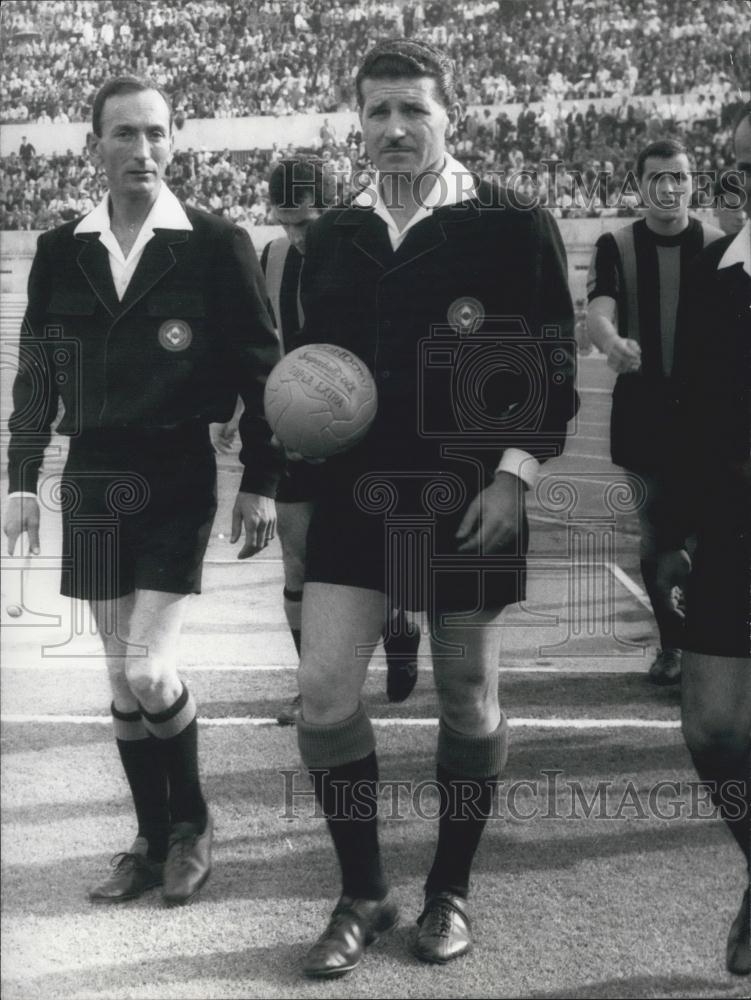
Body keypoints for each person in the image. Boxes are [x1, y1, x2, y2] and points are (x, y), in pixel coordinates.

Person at [292, 39, 577, 976]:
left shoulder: (512, 222)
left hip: (468, 497)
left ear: (451, 117)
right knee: (326, 695)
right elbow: (311, 371)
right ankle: (363, 891)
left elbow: (550, 366)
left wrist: (512, 477)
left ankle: (448, 889)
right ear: (357, 123)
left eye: (412, 110)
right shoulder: (330, 234)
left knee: (466, 695)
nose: (394, 129)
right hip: (357, 497)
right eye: (376, 112)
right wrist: (294, 435)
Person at [4, 77, 282, 906]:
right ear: (95, 146)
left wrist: (261, 481)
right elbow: (36, 377)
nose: (143, 150)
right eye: (124, 135)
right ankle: (149, 837)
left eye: (157, 134)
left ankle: (192, 824)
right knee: (120, 681)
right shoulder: (63, 249)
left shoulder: (214, 241)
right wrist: (19, 479)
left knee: (151, 671)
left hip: (173, 473)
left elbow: (262, 371)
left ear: (175, 141)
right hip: (92, 475)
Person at [254, 157, 422, 724]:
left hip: (366, 433)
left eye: (308, 221)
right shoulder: (272, 257)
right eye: (287, 222)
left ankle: (402, 638)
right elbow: (264, 342)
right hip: (295, 434)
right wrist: (245, 414)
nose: (298, 235)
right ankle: (310, 686)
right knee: (297, 561)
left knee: (389, 557)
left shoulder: (373, 254)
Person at [656, 102, 751, 978]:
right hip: (732, 528)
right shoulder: (722, 269)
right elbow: (692, 411)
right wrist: (677, 530)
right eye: (737, 163)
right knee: (712, 726)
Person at [586, 138, 723, 686]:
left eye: (679, 177)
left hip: (707, 413)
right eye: (657, 178)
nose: (669, 188)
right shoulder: (615, 245)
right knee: (656, 533)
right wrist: (612, 342)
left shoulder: (719, 245)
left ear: (693, 183)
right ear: (639, 186)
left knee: (708, 535)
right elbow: (598, 311)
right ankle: (673, 647)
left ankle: (711, 643)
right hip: (643, 411)